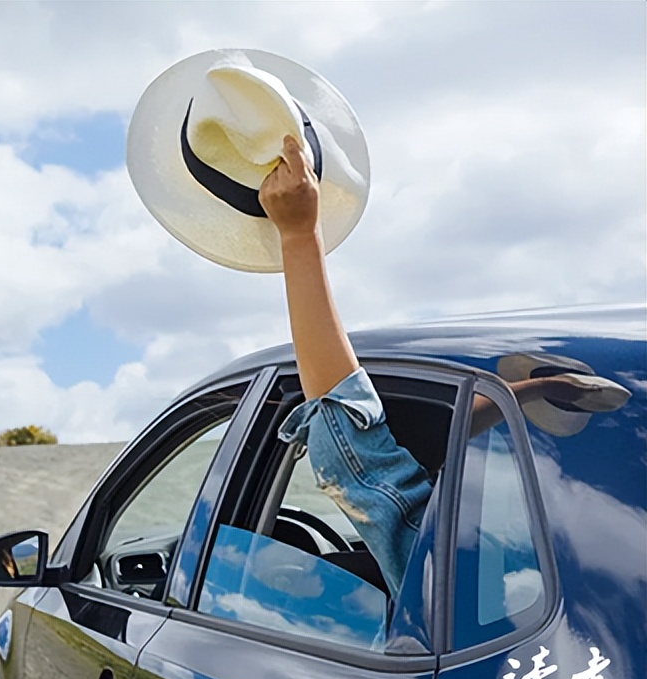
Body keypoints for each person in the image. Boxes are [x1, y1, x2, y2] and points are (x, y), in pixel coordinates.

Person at [256, 135, 616, 597]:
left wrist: (299, 236)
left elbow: (353, 461)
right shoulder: (600, 572)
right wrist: (524, 391)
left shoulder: (472, 593)